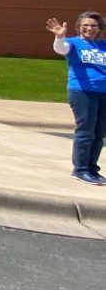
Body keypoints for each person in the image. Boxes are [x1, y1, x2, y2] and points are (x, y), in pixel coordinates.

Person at [46, 12, 106, 186]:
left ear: (99, 29)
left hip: (104, 93)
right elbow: (60, 49)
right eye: (85, 25)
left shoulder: (104, 45)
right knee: (86, 131)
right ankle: (80, 170)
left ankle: (92, 169)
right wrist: (59, 37)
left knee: (99, 134)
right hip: (82, 92)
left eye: (93, 25)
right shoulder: (73, 43)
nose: (89, 28)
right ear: (79, 27)